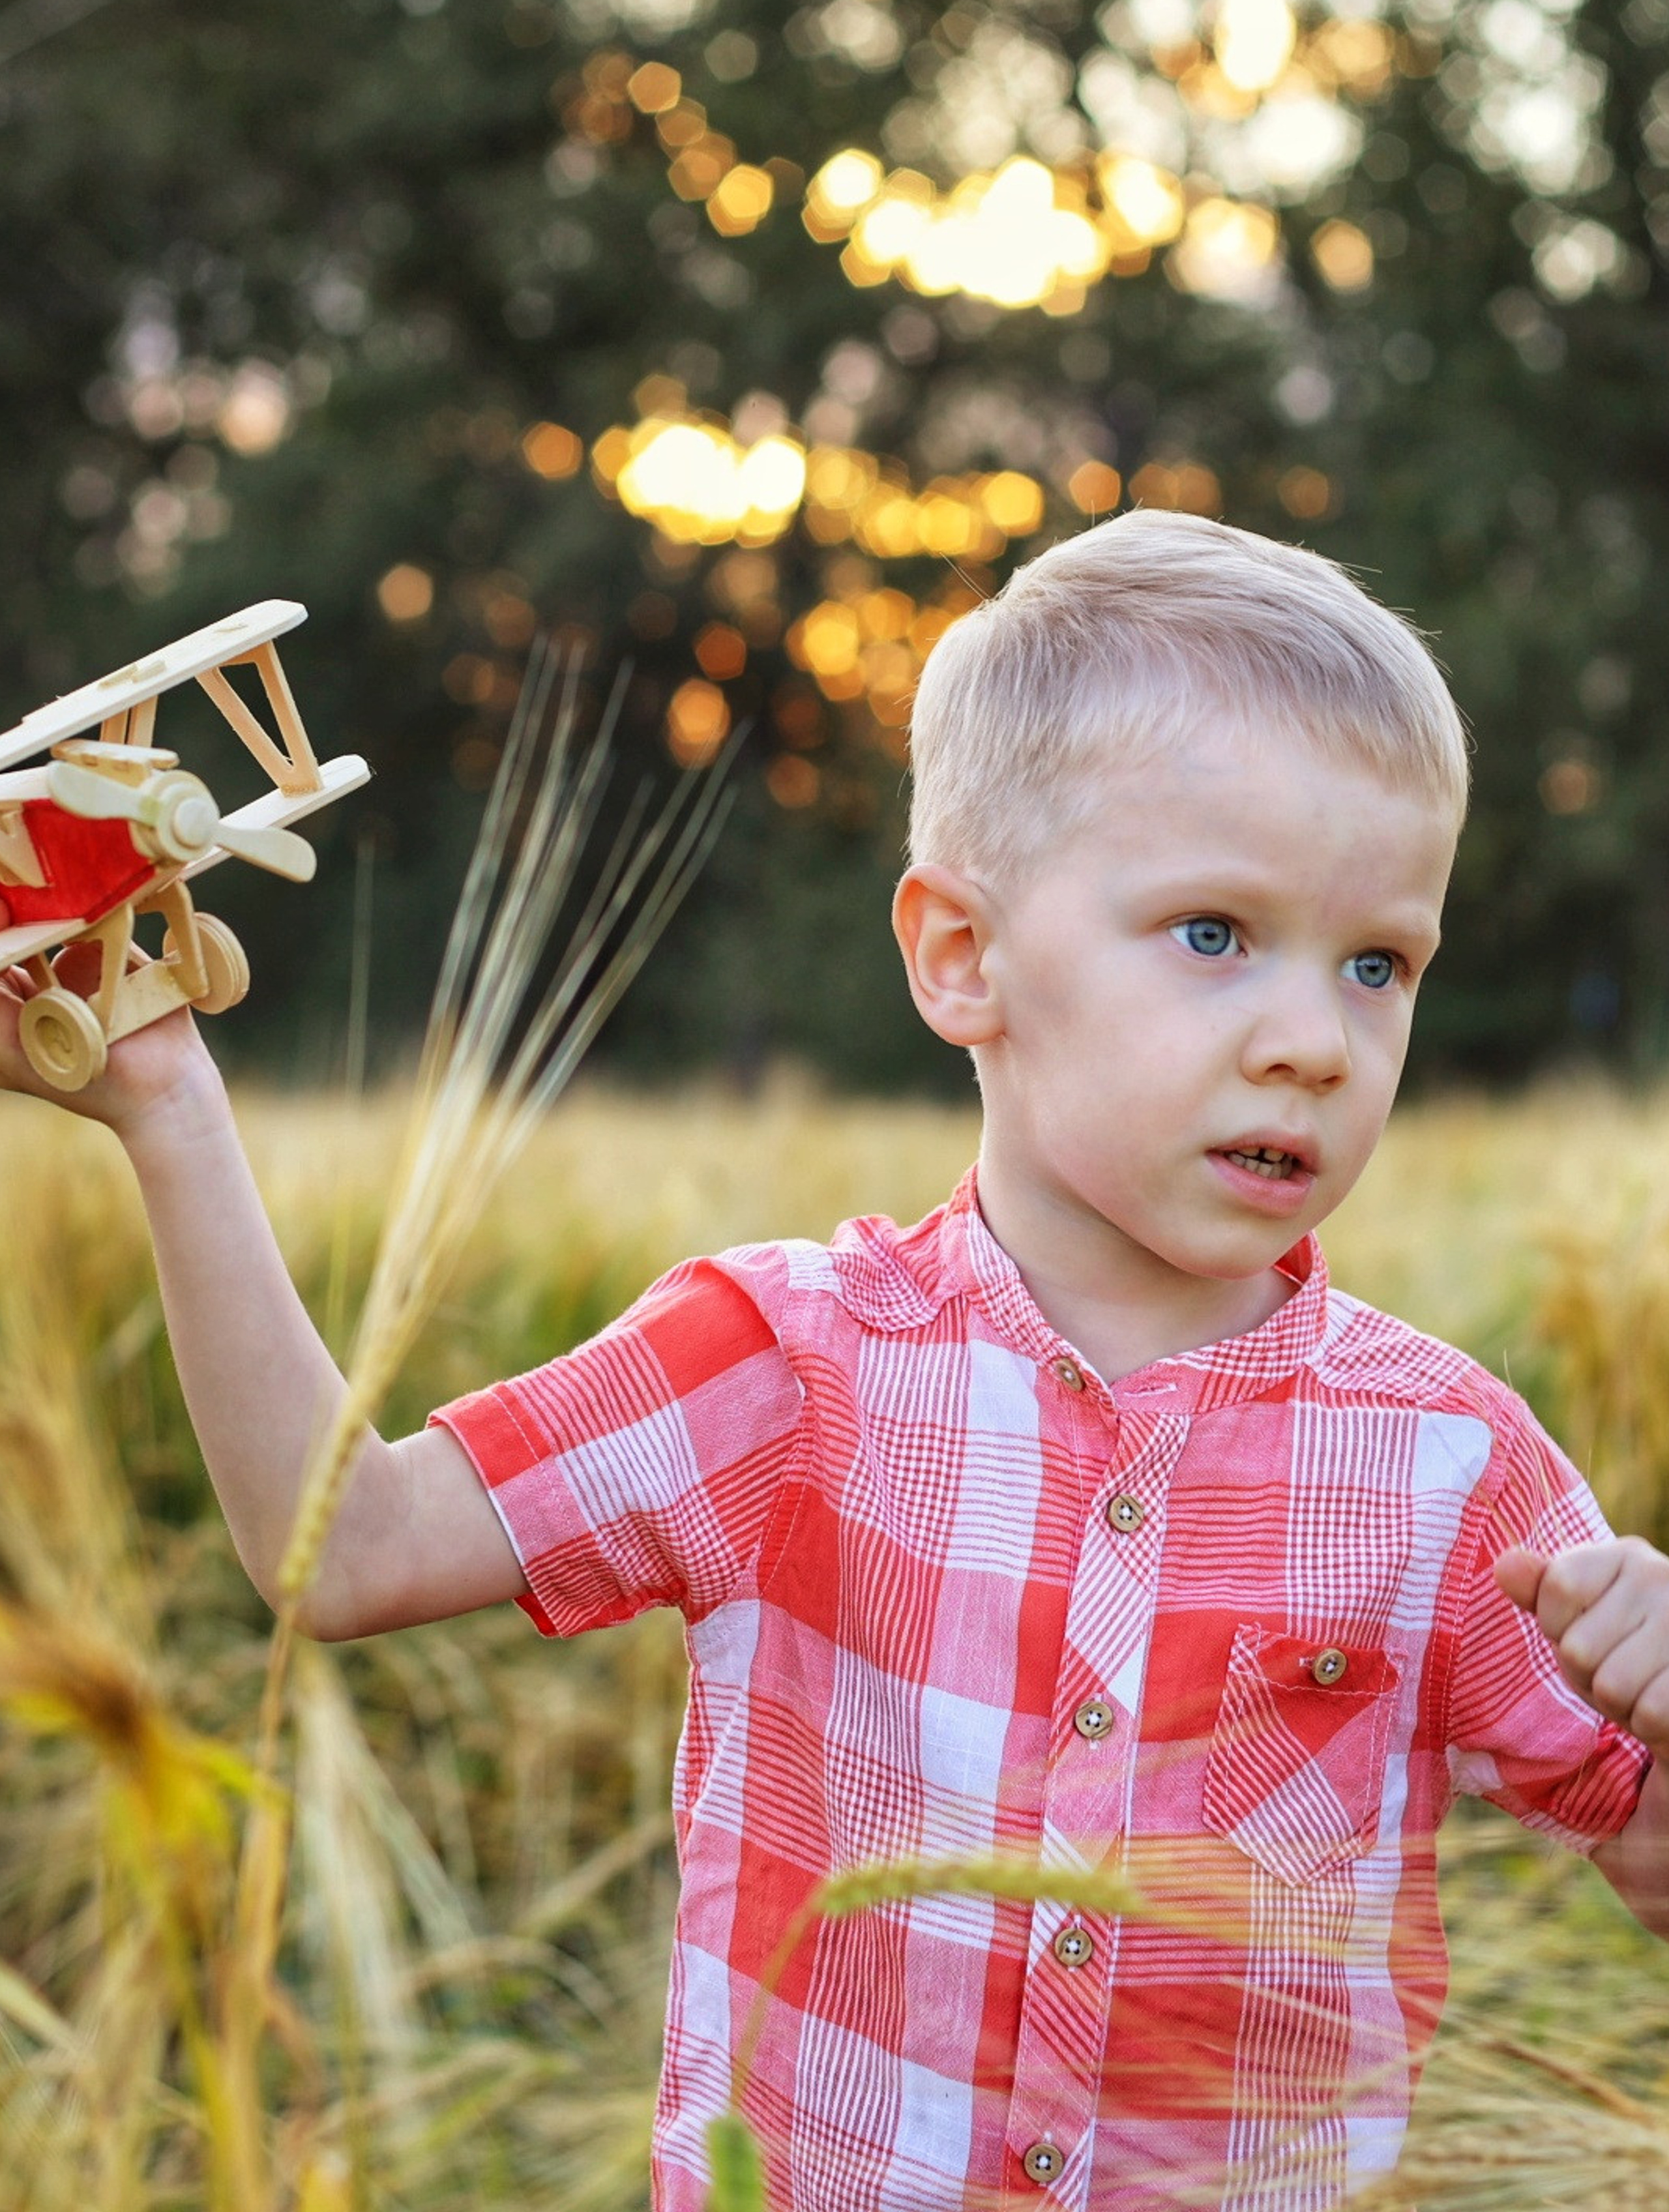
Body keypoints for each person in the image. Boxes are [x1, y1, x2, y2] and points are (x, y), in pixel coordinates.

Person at [7, 508, 1669, 2212]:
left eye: (1378, 963)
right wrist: (166, 1111)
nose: (1316, 1043)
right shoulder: (779, 1369)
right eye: (1214, 934)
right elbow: (341, 1543)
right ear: (964, 957)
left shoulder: (1456, 1471)